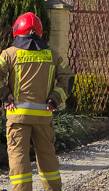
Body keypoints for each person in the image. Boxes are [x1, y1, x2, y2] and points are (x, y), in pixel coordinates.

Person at [0, 12, 69, 191]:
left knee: (19, 158)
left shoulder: (9, 54)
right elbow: (67, 79)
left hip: (17, 117)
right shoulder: (52, 55)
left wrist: (5, 94)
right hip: (43, 117)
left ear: (17, 31)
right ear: (39, 32)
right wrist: (55, 98)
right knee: (47, 158)